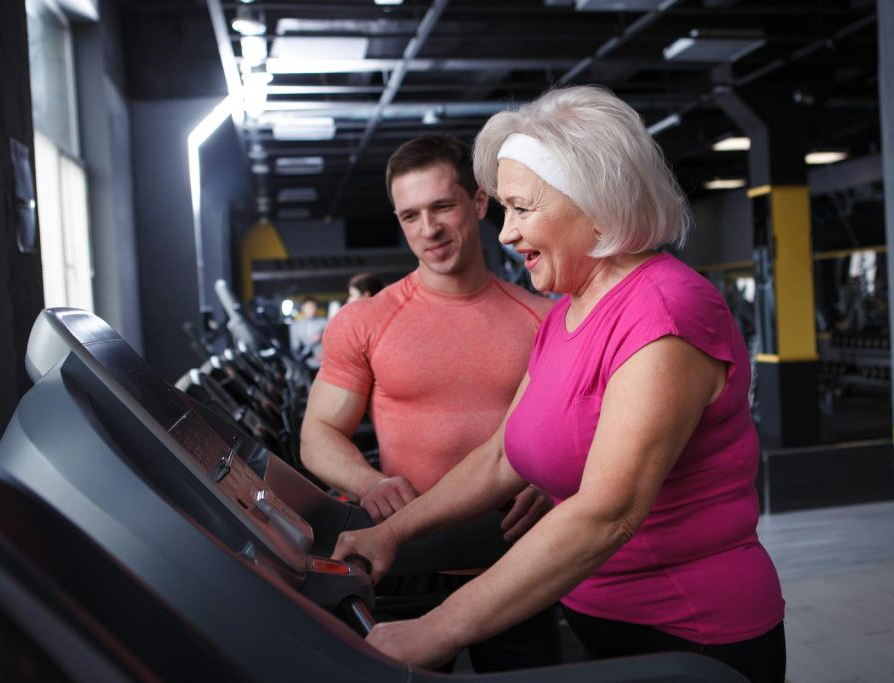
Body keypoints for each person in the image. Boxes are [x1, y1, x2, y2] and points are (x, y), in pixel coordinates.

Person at [332, 86, 786, 683]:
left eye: (522, 210)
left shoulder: (666, 312)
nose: (505, 234)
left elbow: (607, 513)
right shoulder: (572, 309)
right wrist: (390, 533)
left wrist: (435, 629)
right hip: (601, 617)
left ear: (595, 204)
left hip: (689, 635)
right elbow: (500, 456)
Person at [300, 134, 558, 672]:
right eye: (410, 215)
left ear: (480, 202)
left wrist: (553, 477)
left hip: (513, 564)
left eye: (442, 206)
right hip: (405, 561)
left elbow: (581, 430)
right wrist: (369, 482)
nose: (429, 229)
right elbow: (318, 433)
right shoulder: (367, 321)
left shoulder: (545, 319)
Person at [288, 298, 328, 369]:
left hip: (323, 362)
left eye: (313, 307)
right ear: (303, 308)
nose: (311, 310)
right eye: (308, 308)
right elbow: (294, 348)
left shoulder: (325, 322)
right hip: (305, 363)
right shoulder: (296, 325)